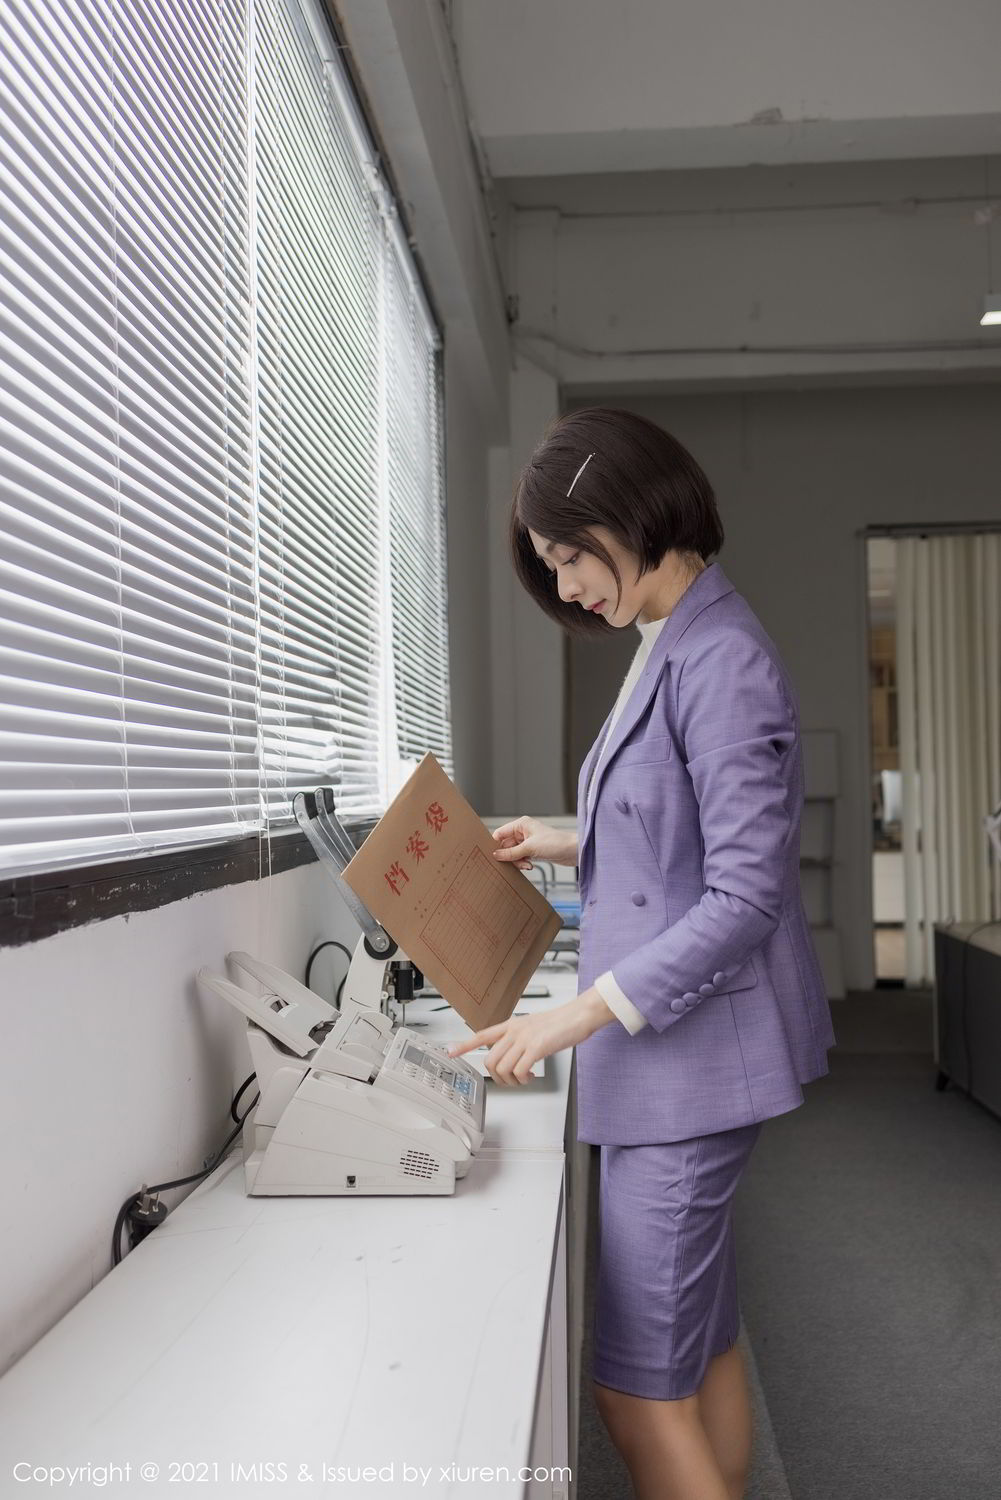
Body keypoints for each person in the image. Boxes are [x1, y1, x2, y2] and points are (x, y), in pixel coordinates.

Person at [448, 406, 836, 1500]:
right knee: (699, 1347)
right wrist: (560, 836)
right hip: (669, 1065)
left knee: (629, 1388)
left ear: (633, 511)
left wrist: (571, 1015)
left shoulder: (719, 658)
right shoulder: (671, 632)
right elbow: (681, 823)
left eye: (572, 554)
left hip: (688, 1071)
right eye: (550, 564)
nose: (565, 586)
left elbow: (745, 896)